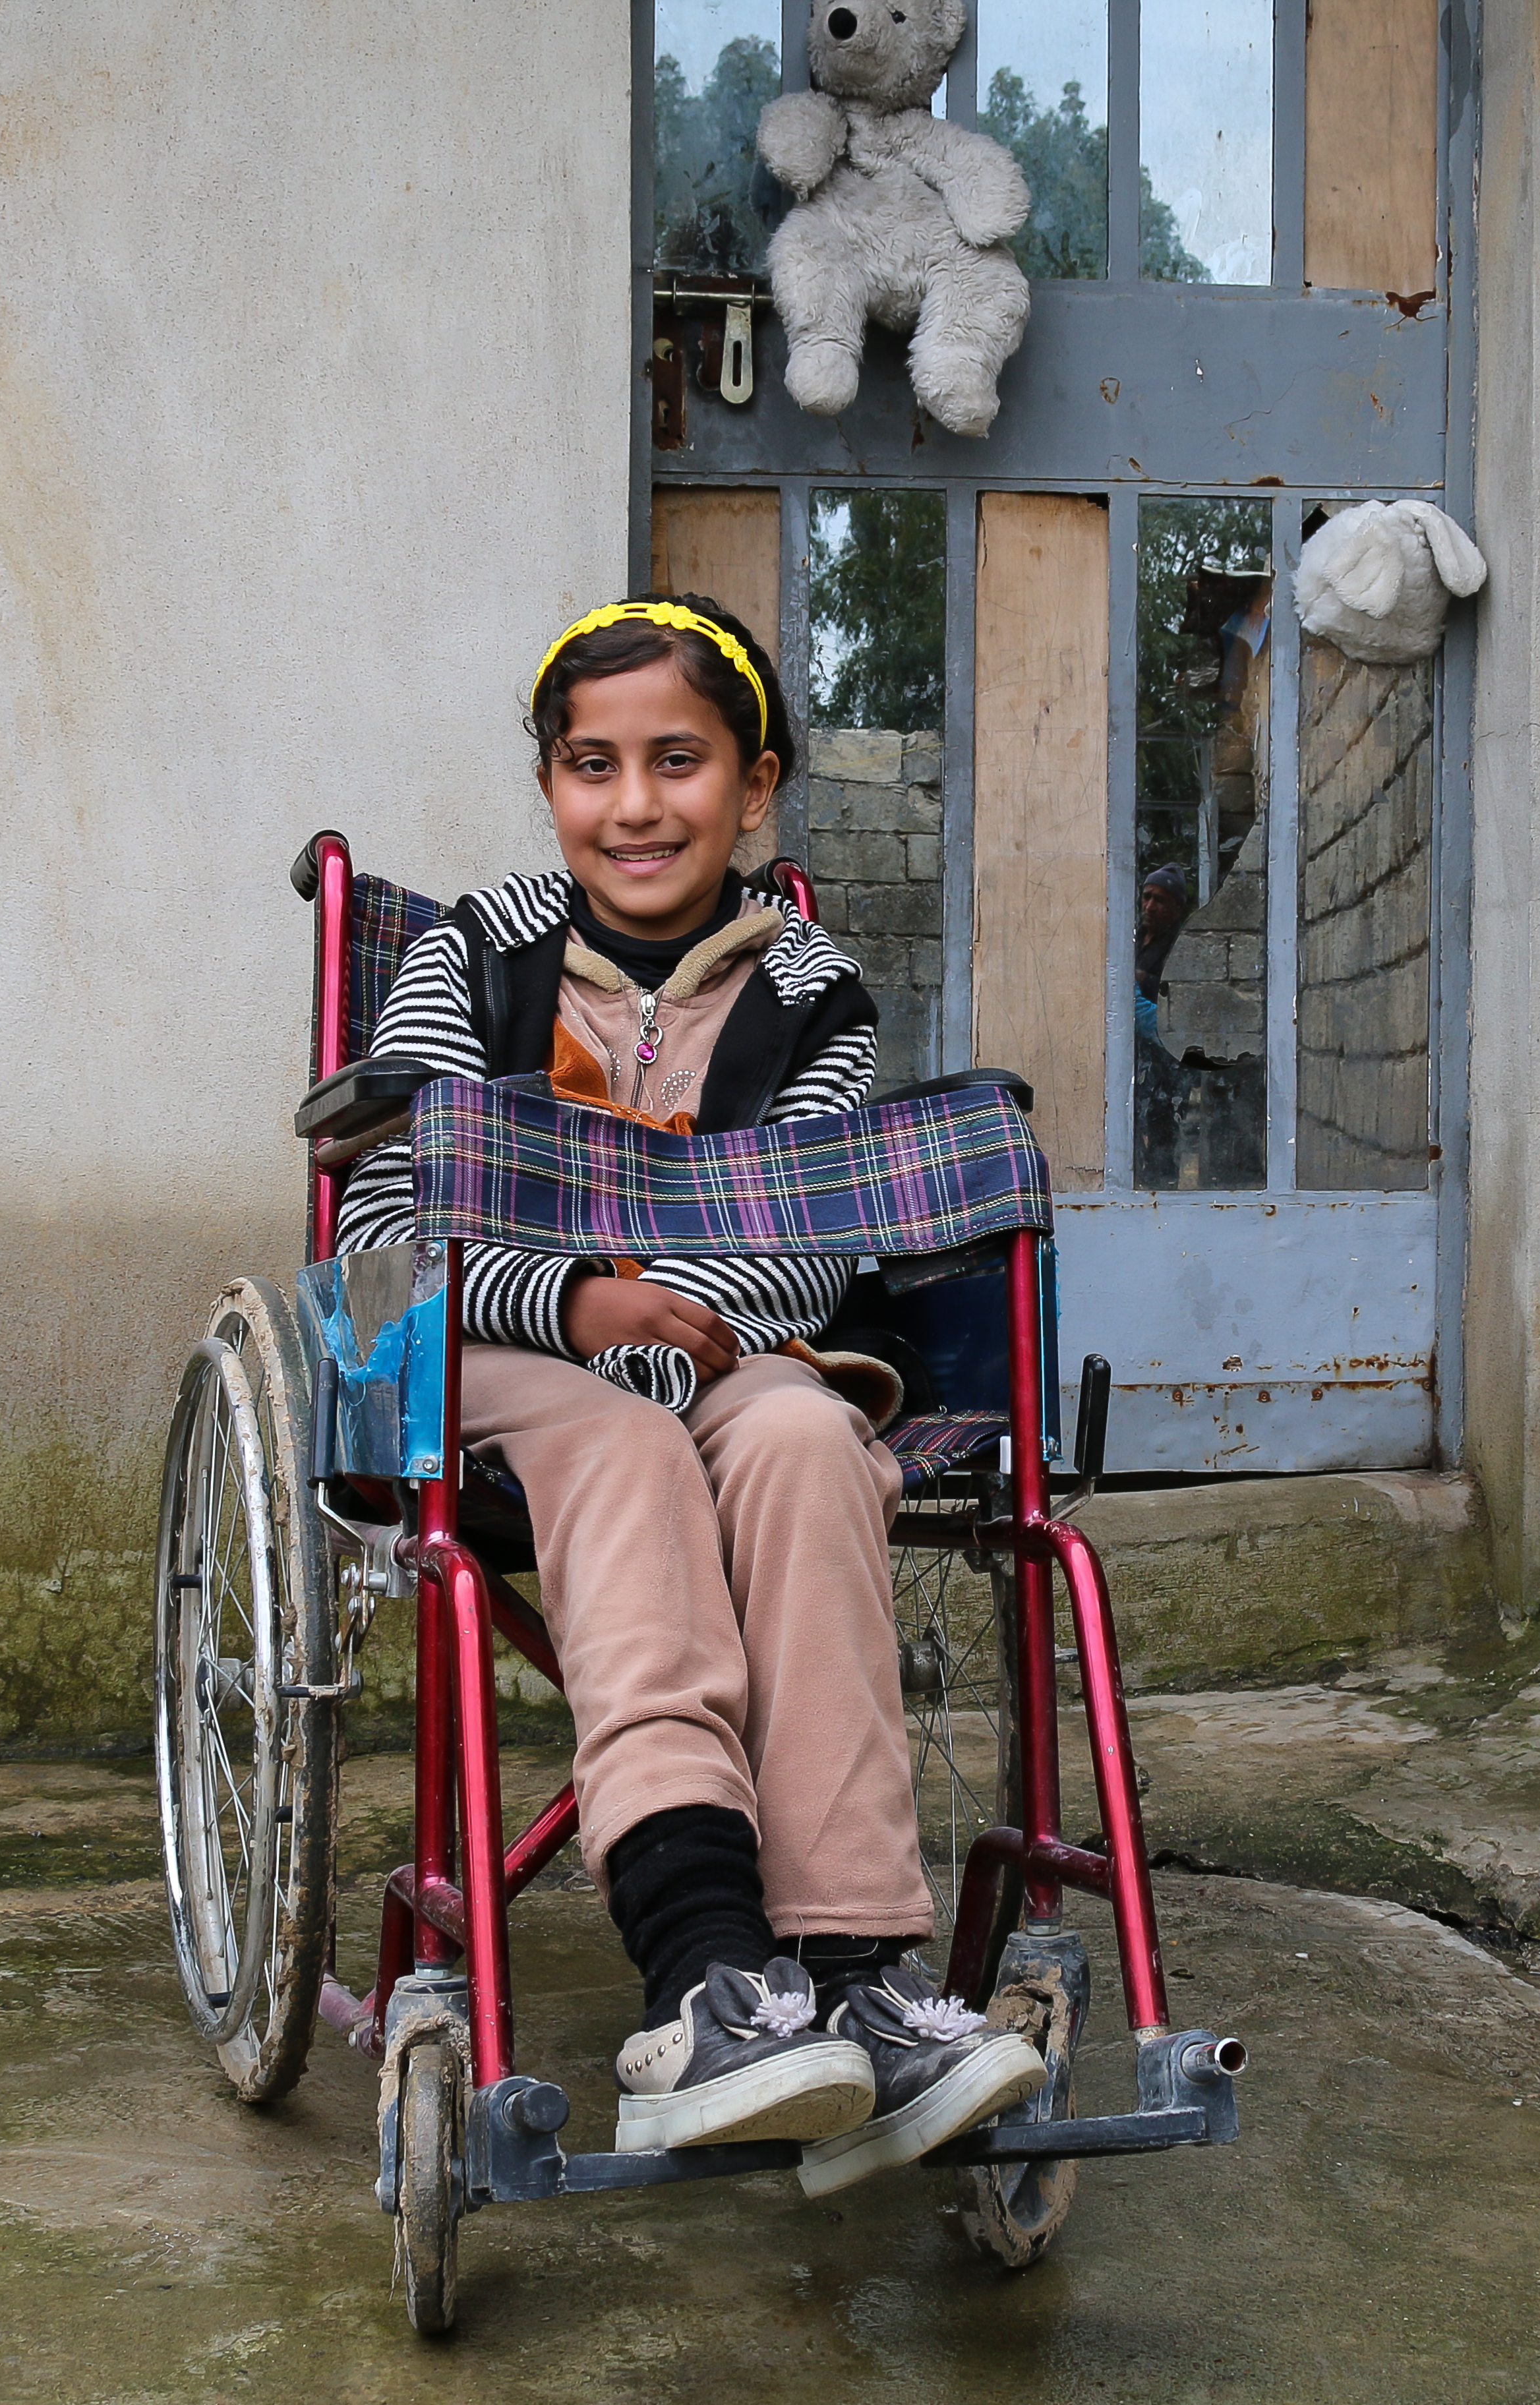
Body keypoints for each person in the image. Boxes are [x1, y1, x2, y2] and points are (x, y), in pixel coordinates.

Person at [334, 595, 1043, 2193]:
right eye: (594, 766)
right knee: (625, 1445)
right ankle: (705, 1980)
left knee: (806, 1438)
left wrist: (673, 1329)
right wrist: (580, 1301)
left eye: (678, 762)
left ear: (757, 785)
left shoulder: (813, 996)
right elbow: (388, 1235)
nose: (635, 804)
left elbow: (809, 1251)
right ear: (549, 784)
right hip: (495, 1351)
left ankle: (856, 1972)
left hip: (732, 1351)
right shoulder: (477, 956)